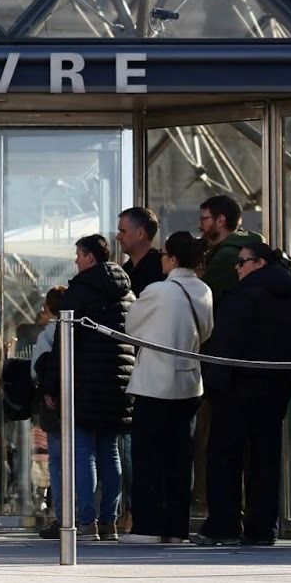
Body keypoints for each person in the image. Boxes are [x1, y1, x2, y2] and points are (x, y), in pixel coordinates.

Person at [195, 243, 291, 546]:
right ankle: (262, 528)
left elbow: (225, 344)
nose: (237, 267)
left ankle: (222, 526)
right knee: (265, 459)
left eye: (242, 262)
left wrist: (212, 387)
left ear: (260, 263)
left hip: (237, 388)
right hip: (276, 390)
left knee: (225, 456)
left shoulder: (243, 297)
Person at [36, 235, 135, 541]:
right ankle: (109, 520)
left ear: (90, 257)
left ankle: (86, 520)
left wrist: (51, 386)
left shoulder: (79, 293)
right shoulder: (128, 294)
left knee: (82, 453)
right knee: (110, 452)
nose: (76, 260)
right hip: (118, 384)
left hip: (82, 382)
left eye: (78, 254)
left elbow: (65, 346)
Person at [121, 231, 213, 544]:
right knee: (179, 460)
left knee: (148, 459)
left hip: (154, 384)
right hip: (188, 384)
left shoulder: (158, 290)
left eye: (163, 255)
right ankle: (176, 528)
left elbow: (131, 327)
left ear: (172, 258)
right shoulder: (203, 290)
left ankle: (147, 526)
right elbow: (208, 332)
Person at [32, 286, 69, 539]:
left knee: (57, 460)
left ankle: (63, 516)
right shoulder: (82, 330)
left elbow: (36, 370)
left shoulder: (47, 334)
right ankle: (95, 516)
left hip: (53, 404)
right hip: (81, 401)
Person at [199, 195, 262, 297]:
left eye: (204, 219)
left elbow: (202, 296)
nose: (200, 225)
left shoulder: (226, 255)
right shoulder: (247, 244)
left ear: (220, 220)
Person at [117, 207, 164, 297]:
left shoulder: (160, 269)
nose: (118, 237)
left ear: (140, 234)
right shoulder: (124, 271)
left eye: (123, 231)